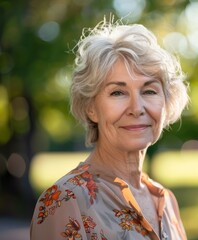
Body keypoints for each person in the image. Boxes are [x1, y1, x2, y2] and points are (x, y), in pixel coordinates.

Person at [30, 17, 189, 240]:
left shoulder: (166, 200)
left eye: (149, 91)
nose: (137, 108)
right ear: (91, 108)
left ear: (167, 101)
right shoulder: (65, 201)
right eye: (117, 92)